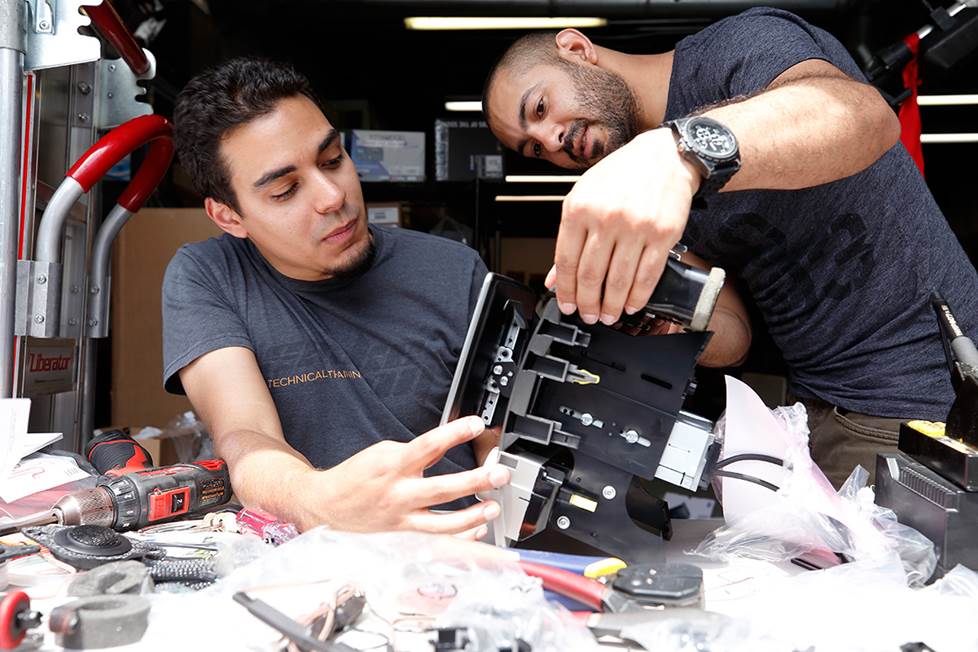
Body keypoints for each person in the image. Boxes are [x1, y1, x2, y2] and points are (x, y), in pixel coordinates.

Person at [482, 7, 978, 486]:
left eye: (540, 108)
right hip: (821, 415)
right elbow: (734, 334)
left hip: (930, 393)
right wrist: (664, 316)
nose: (553, 140)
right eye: (535, 149)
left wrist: (680, 151)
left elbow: (863, 116)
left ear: (576, 49)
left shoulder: (735, 51)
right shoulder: (650, 196)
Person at [164, 57, 509, 534]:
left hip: (459, 547)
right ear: (229, 217)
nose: (332, 196)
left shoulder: (454, 269)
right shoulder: (209, 275)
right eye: (286, 190)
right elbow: (245, 433)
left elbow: (496, 428)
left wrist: (504, 519)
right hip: (312, 560)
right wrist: (316, 500)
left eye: (332, 160)